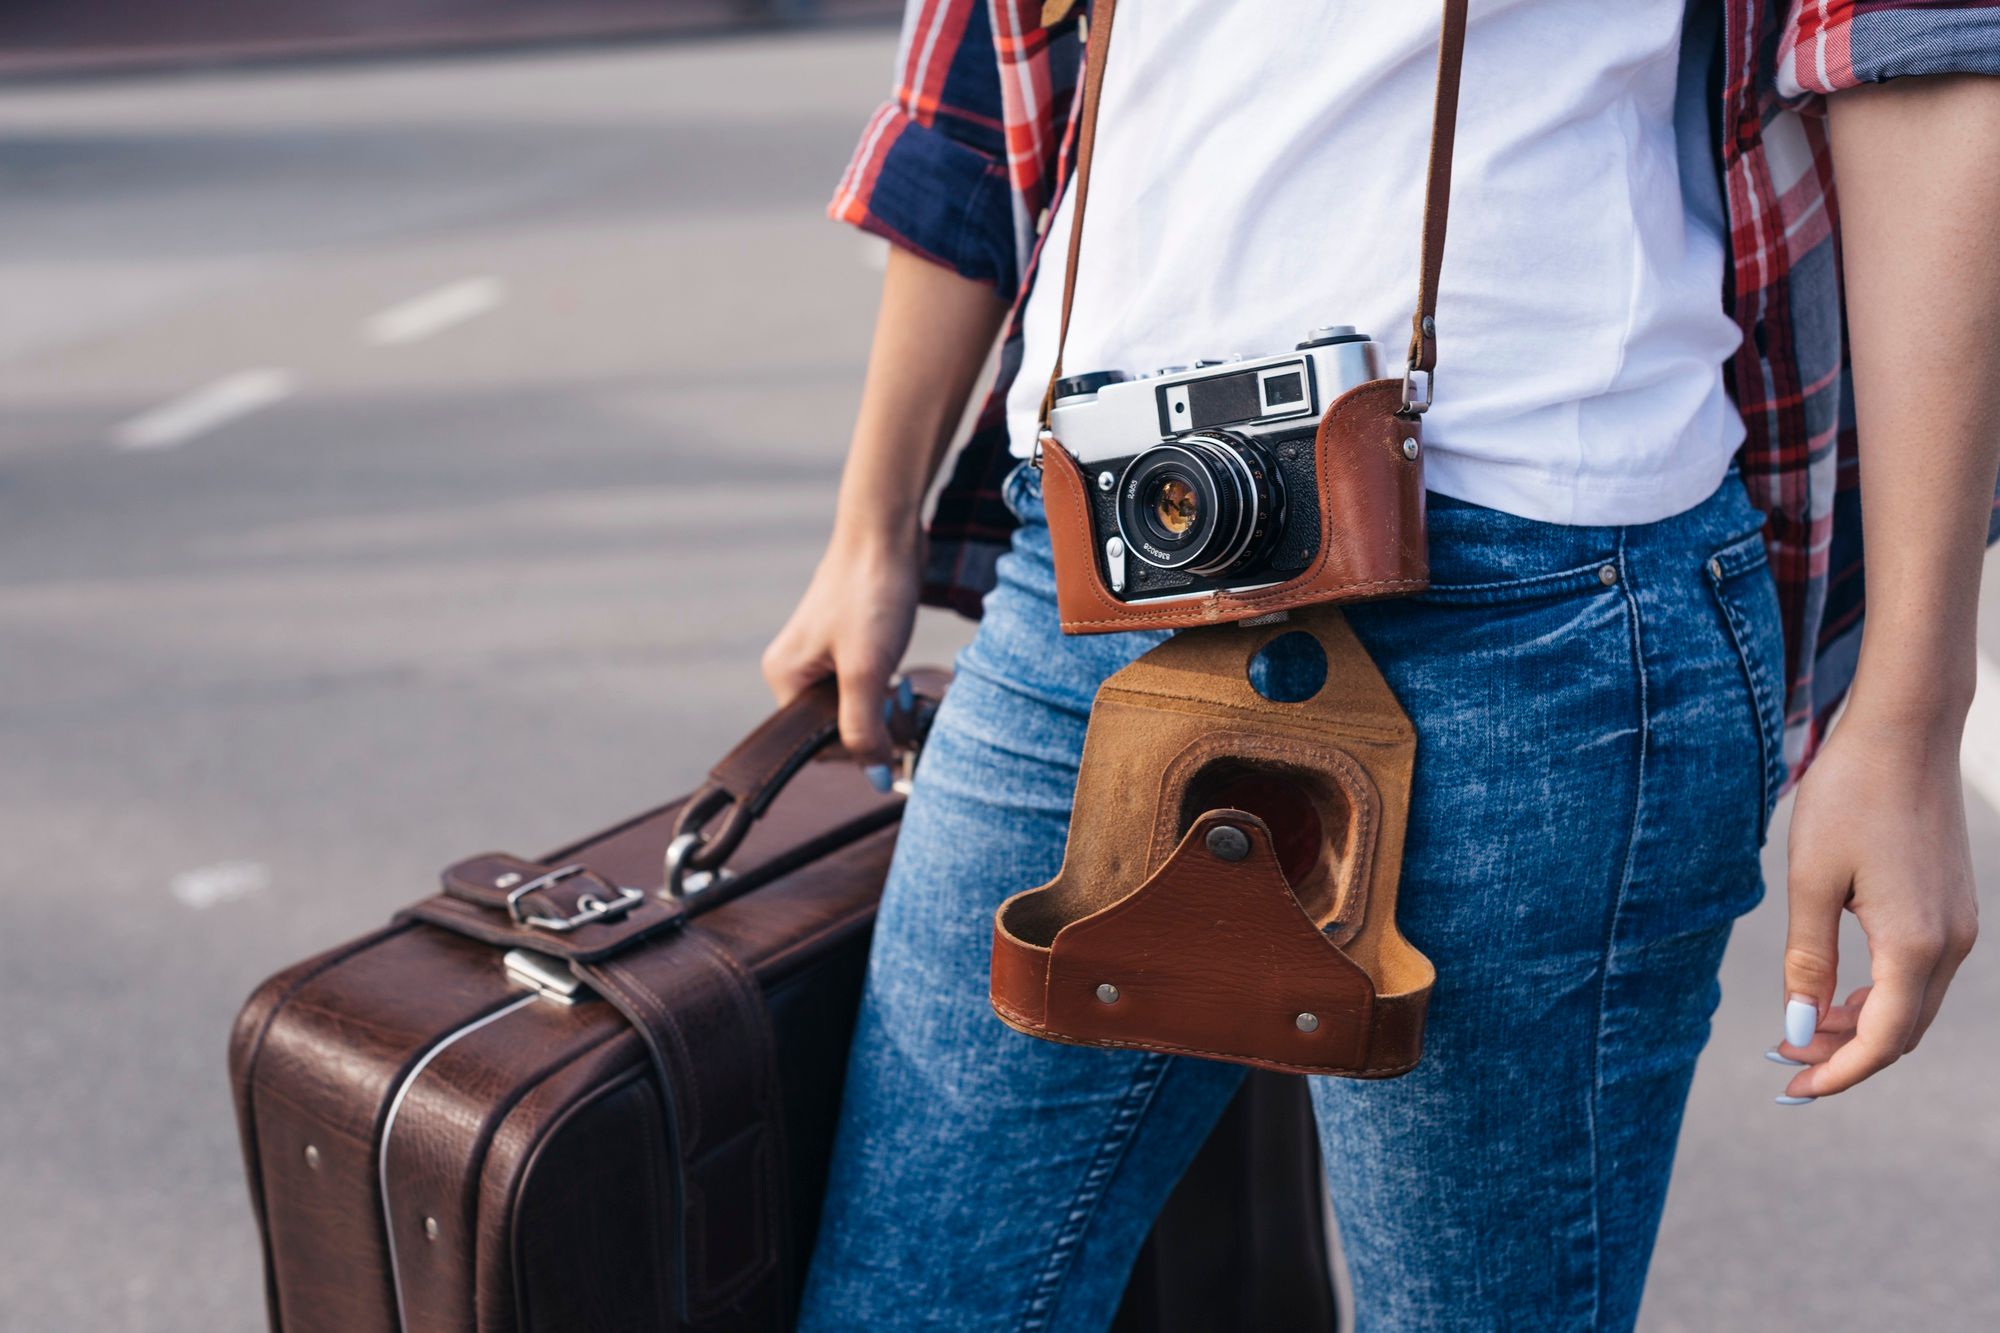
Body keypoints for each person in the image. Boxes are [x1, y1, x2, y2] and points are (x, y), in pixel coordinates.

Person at [761, 1, 2000, 1327]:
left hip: (1533, 593)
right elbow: (977, 79)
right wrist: (871, 523)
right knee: (915, 1300)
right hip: (1100, 552)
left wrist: (1912, 707)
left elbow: (1921, 57)